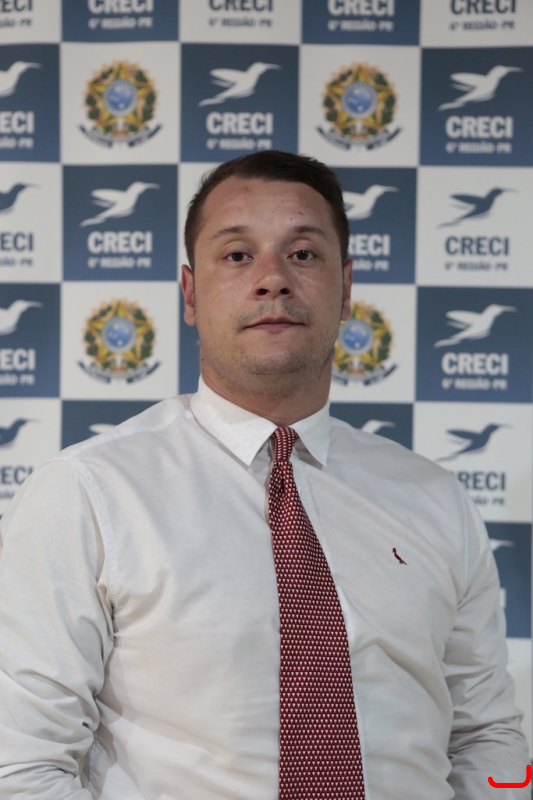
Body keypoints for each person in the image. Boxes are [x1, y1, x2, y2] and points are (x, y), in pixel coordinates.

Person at [0, 151, 528, 800]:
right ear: (190, 294)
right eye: (237, 255)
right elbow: (21, 766)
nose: (272, 279)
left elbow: (489, 739)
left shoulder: (435, 499)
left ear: (346, 289)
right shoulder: (87, 493)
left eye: (303, 254)